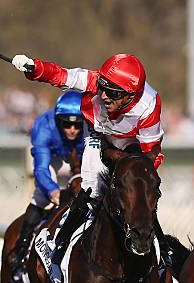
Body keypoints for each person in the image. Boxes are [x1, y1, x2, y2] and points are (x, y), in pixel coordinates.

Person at [10, 52, 170, 266]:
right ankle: (59, 247)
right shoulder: (96, 82)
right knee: (89, 191)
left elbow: (151, 153)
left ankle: (163, 254)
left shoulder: (149, 105)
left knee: (139, 192)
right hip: (98, 135)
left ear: (131, 95)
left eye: (112, 93)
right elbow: (62, 76)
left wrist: (139, 179)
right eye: (103, 88)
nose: (103, 96)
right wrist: (35, 68)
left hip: (130, 142)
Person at [10, 90, 85, 277]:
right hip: (54, 159)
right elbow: (41, 168)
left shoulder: (91, 126)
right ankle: (20, 250)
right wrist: (53, 191)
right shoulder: (43, 126)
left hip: (81, 159)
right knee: (42, 197)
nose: (73, 130)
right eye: (67, 124)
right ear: (58, 121)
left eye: (77, 124)